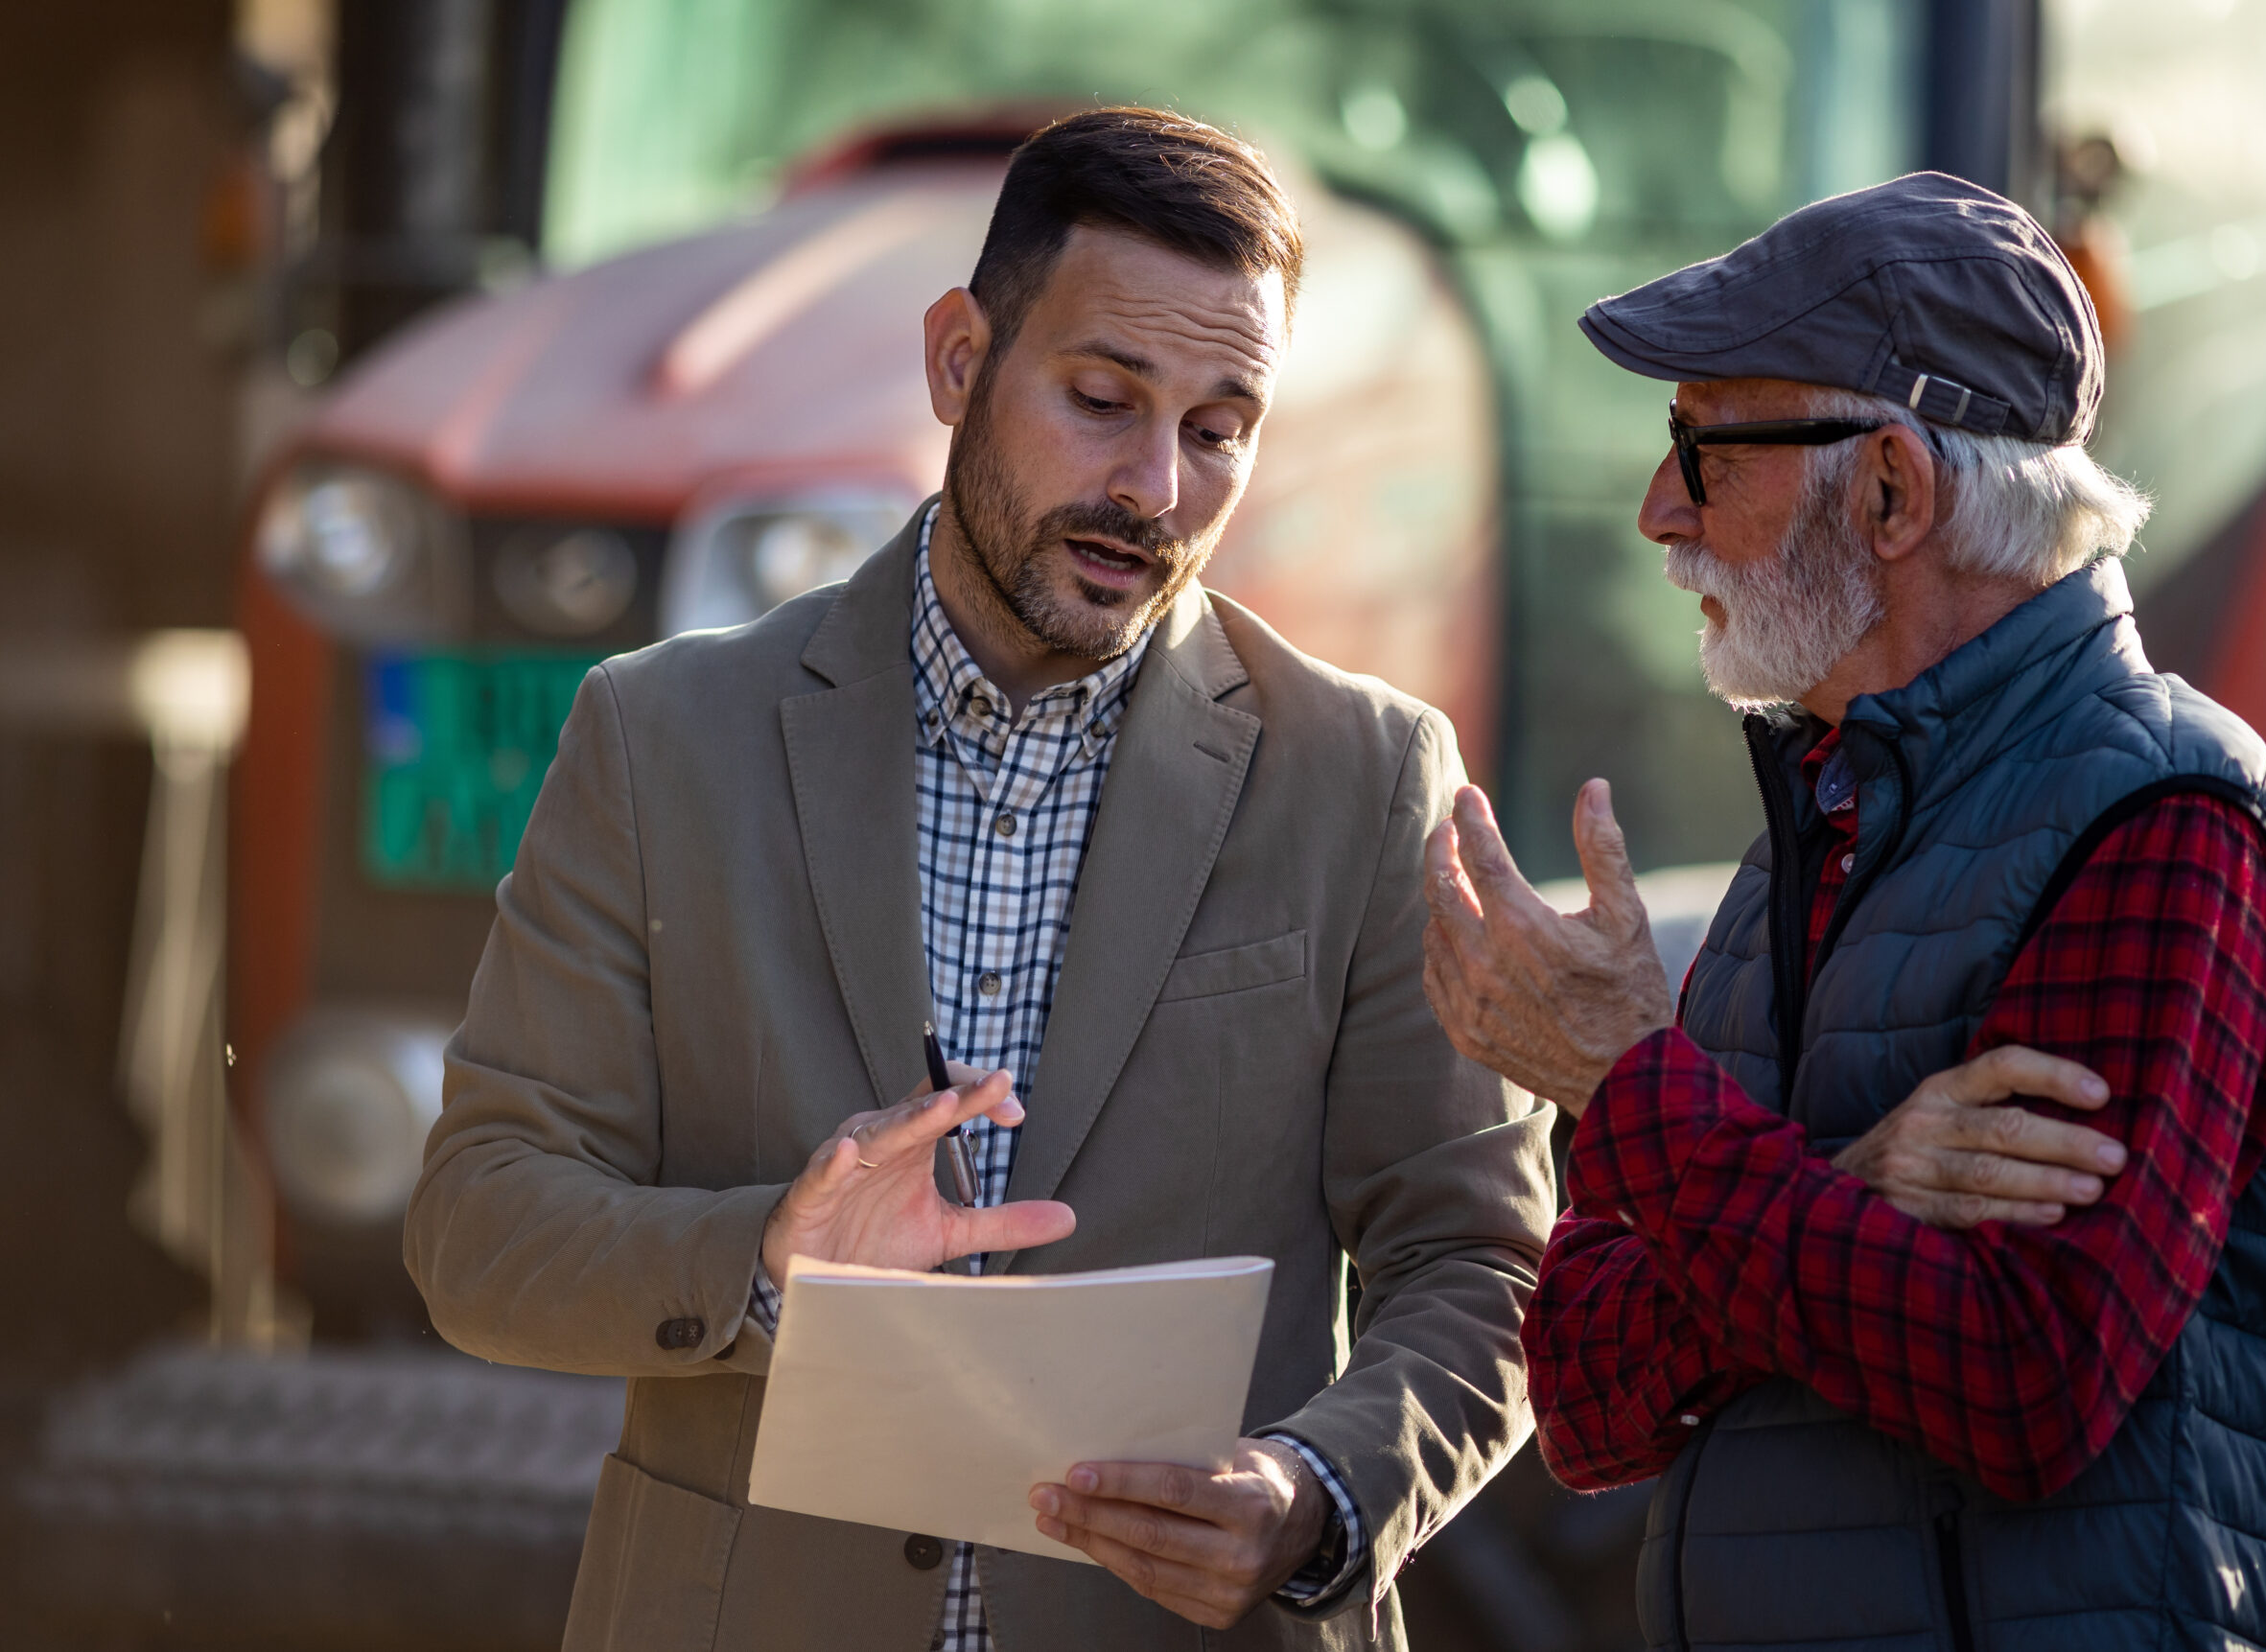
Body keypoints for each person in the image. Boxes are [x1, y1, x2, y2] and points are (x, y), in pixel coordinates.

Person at [405, 107, 1553, 1652]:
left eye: (1219, 429)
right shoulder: (659, 736)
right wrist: (769, 1259)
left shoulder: (1368, 777)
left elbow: (1483, 1261)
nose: (1154, 485)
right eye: (1102, 400)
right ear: (959, 360)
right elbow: (479, 1224)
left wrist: (1314, 1492)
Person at [1418, 173, 2266, 1651]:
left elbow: (2025, 1388)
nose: (1658, 507)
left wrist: (1629, 1088)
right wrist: (1855, 1176)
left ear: (1890, 491)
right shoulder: (1812, 839)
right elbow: (1590, 1402)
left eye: (1704, 448)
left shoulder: (2169, 824)